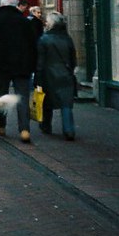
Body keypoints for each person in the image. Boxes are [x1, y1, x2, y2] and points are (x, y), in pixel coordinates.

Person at [0, 0, 38, 143]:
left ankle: (1, 126)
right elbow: (33, 45)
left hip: (2, 65)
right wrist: (34, 65)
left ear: (2, 5)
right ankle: (24, 130)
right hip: (22, 65)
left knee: (2, 96)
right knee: (22, 97)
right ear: (15, 5)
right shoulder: (24, 21)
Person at [35, 11, 78, 140]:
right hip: (65, 75)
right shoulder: (67, 38)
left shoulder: (43, 39)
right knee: (66, 104)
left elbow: (40, 62)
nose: (45, 23)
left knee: (47, 102)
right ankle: (69, 130)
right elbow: (73, 59)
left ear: (52, 24)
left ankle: (46, 126)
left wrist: (38, 79)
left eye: (47, 21)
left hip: (48, 75)